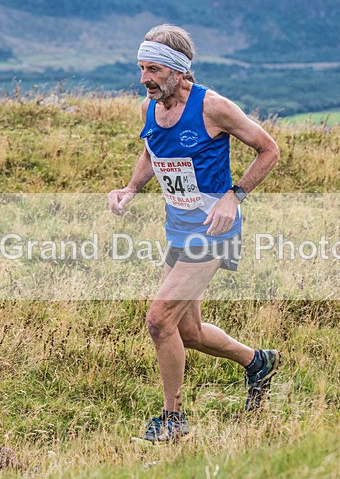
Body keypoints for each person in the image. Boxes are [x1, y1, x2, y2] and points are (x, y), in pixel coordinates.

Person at [108, 24, 281, 444]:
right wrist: (131, 188)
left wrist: (234, 196)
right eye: (141, 68)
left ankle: (173, 420)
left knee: (158, 320)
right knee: (189, 331)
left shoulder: (213, 107)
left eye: (153, 69)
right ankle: (257, 362)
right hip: (179, 231)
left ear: (178, 70)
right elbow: (152, 150)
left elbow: (269, 149)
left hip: (213, 232)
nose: (144, 78)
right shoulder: (152, 106)